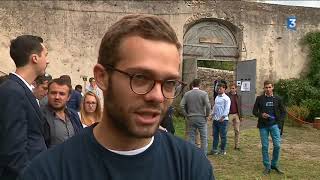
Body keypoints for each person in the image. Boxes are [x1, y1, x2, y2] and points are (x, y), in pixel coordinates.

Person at [19, 14, 214, 180]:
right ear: (102, 77)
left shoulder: (192, 167)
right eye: (141, 78)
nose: (157, 96)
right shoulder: (47, 172)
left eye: (169, 83)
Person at [0, 35, 49, 180]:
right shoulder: (13, 91)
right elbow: (13, 149)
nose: (48, 60)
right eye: (45, 55)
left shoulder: (21, 89)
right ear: (34, 58)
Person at [252, 80, 286, 175]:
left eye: (269, 87)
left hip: (274, 125)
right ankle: (267, 166)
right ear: (264, 88)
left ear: (273, 87)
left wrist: (279, 123)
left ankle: (274, 164)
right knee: (265, 146)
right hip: (263, 126)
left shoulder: (278, 99)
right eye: (266, 87)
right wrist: (261, 115)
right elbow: (254, 111)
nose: (268, 89)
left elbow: (283, 112)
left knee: (277, 145)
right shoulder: (259, 98)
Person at [41, 78, 83, 148]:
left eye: (62, 94)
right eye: (53, 93)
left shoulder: (74, 115)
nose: (57, 97)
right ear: (47, 94)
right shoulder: (40, 116)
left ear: (68, 97)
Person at [180, 78, 211, 154]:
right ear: (199, 84)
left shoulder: (187, 94)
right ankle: (203, 155)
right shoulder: (204, 94)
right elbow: (208, 106)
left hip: (191, 117)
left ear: (192, 85)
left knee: (191, 137)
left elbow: (181, 105)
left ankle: (192, 155)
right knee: (203, 137)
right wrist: (207, 115)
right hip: (201, 117)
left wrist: (186, 115)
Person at [208, 83, 231, 155]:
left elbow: (227, 109)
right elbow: (215, 107)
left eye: (220, 88)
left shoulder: (226, 98)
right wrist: (212, 115)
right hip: (215, 120)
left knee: (223, 136)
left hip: (223, 121)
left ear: (224, 89)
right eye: (218, 88)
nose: (219, 89)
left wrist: (223, 117)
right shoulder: (217, 97)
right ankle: (214, 150)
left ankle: (222, 150)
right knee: (215, 135)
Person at [227, 83, 242, 150]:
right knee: (225, 130)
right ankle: (223, 144)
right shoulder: (227, 95)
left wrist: (241, 116)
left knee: (237, 130)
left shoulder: (238, 96)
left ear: (236, 89)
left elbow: (240, 106)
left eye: (233, 88)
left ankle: (237, 145)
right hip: (229, 114)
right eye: (231, 88)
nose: (232, 90)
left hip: (236, 115)